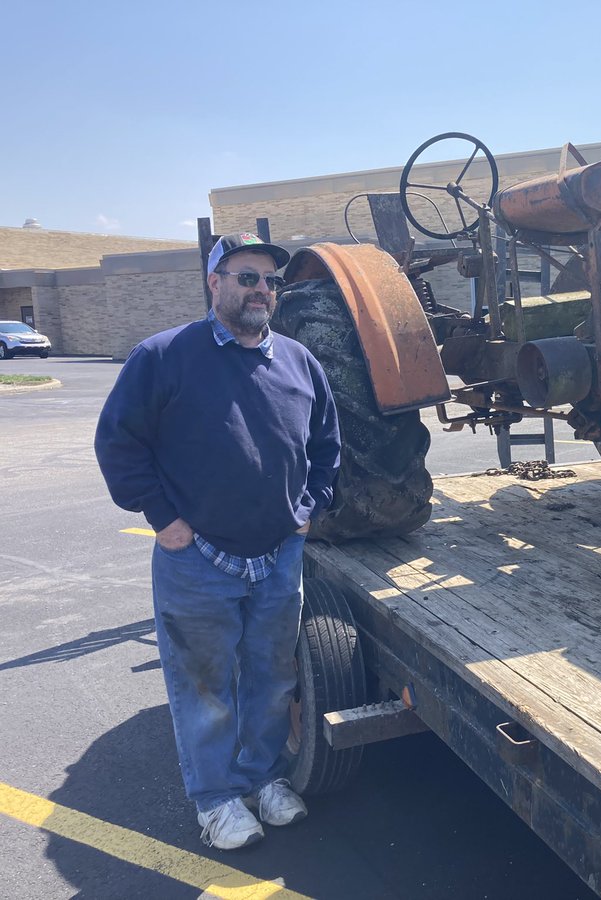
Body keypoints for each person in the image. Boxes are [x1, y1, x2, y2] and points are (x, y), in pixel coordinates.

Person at [95, 232, 341, 850]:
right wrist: (161, 517)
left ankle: (263, 779)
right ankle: (215, 798)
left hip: (279, 555)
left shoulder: (297, 360)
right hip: (197, 558)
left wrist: (310, 506)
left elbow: (326, 444)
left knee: (271, 676)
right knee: (202, 684)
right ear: (215, 283)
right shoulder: (162, 355)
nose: (262, 290)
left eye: (270, 281)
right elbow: (118, 442)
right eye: (247, 277)